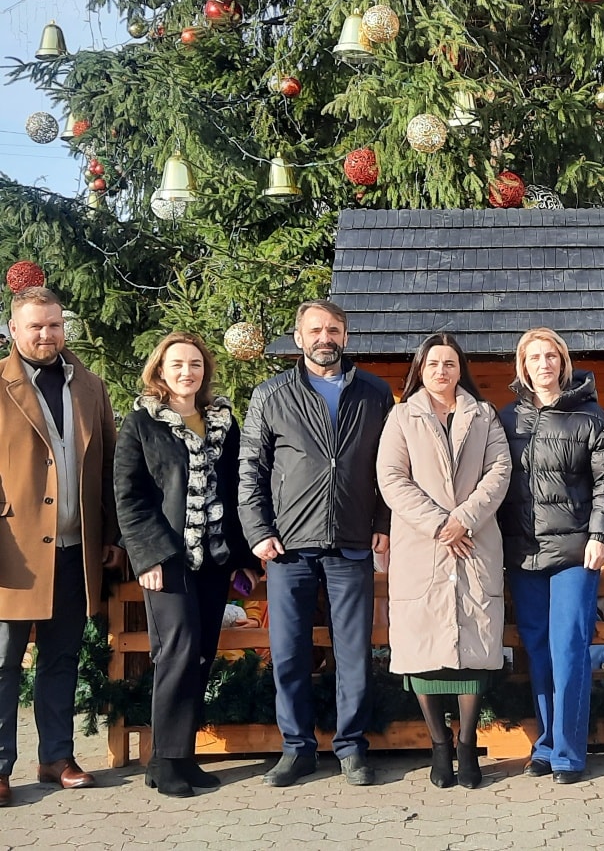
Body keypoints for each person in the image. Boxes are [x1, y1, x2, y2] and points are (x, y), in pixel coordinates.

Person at [239, 300, 393, 787]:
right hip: (288, 546)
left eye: (334, 329)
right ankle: (296, 748)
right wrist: (259, 530)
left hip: (352, 542)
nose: (325, 338)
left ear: (345, 336)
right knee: (288, 653)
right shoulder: (271, 394)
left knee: (354, 654)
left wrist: (384, 520)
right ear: (299, 337)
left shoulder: (375, 393)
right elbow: (251, 470)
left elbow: (393, 465)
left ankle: (352, 748)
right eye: (316, 330)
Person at [114, 332, 257, 797]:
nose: (186, 372)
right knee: (176, 651)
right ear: (160, 370)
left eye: (195, 364)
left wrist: (244, 558)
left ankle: (178, 758)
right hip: (168, 559)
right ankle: (168, 759)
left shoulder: (222, 423)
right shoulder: (141, 423)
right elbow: (129, 496)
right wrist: (148, 555)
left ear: (204, 371)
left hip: (214, 560)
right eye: (177, 364)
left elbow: (236, 491)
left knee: (200, 654)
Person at [0, 287, 121, 807]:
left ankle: (56, 757)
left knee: (61, 657)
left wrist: (110, 535)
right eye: (35, 326)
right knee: (2, 662)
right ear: (13, 330)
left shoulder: (89, 386)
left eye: (54, 324)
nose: (46, 334)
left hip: (76, 548)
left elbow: (111, 462)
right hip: (13, 553)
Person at [376, 333, 511, 789]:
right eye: (433, 363)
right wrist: (439, 524)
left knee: (473, 647)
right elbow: (392, 479)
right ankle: (439, 745)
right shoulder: (402, 416)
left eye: (449, 363)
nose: (441, 371)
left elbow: (499, 470)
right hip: (423, 545)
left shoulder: (484, 415)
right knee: (424, 651)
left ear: (460, 369)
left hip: (474, 541)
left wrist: (464, 519)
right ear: (421, 368)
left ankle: (467, 744)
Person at [498, 327, 604, 784]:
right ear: (523, 367)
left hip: (575, 552)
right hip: (524, 554)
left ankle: (569, 753)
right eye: (534, 358)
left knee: (569, 649)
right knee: (538, 652)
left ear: (563, 363)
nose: (544, 364)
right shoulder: (507, 420)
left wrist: (601, 535)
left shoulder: (590, 418)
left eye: (551, 356)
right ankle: (546, 744)